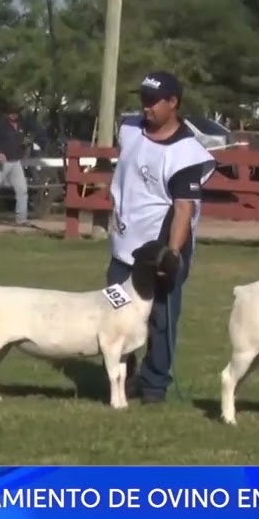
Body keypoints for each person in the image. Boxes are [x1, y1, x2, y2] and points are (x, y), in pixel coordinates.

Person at [108, 71, 217, 403]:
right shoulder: (128, 129)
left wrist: (172, 254)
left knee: (160, 319)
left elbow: (184, 209)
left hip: (159, 249)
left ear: (173, 103)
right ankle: (120, 382)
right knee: (115, 313)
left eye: (153, 102)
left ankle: (154, 385)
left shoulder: (186, 154)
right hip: (122, 245)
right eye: (143, 99)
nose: (146, 108)